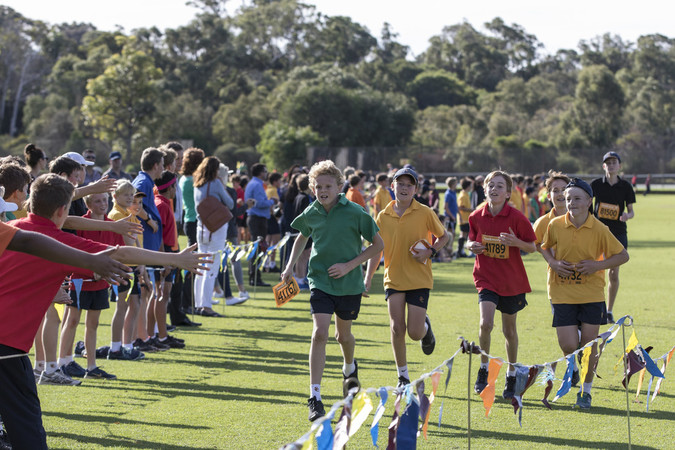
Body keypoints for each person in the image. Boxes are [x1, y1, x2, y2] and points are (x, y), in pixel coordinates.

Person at [0, 174, 209, 449]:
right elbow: (120, 253)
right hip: (8, 349)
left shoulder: (11, 228)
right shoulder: (59, 242)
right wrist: (176, 259)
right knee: (28, 432)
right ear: (62, 210)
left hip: (8, 346)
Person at [281, 160, 383, 422]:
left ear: (339, 187)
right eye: (318, 187)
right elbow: (302, 236)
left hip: (349, 284)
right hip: (320, 281)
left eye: (328, 186)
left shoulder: (356, 212)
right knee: (320, 333)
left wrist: (349, 266)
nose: (323, 191)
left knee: (343, 336)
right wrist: (290, 266)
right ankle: (315, 397)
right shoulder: (312, 211)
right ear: (312, 188)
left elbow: (377, 245)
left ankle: (349, 367)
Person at [541, 178, 629, 409]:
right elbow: (544, 247)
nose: (571, 203)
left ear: (589, 202)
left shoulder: (600, 229)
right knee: (569, 345)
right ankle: (576, 358)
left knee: (589, 349)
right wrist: (554, 263)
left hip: (591, 295)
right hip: (561, 292)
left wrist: (597, 265)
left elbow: (623, 256)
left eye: (577, 198)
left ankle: (585, 392)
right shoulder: (555, 224)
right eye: (568, 198)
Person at [365, 167, 448, 388]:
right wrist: (367, 278)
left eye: (409, 185)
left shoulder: (425, 212)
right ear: (392, 186)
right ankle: (403, 376)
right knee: (396, 327)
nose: (404, 188)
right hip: (393, 278)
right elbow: (376, 249)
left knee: (414, 332)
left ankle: (426, 328)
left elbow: (444, 236)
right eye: (400, 184)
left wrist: (430, 252)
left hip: (419, 278)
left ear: (415, 189)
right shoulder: (382, 216)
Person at [466, 171, 537, 399]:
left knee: (509, 331)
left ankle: (512, 373)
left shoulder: (516, 217)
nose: (494, 189)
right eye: (490, 185)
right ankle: (484, 369)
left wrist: (515, 242)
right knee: (485, 323)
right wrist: (471, 246)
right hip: (486, 278)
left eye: (499, 186)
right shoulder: (476, 216)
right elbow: (470, 239)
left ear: (508, 193)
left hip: (511, 281)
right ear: (484, 189)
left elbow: (532, 246)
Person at [58, 192, 126, 381]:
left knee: (93, 324)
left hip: (101, 283)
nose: (103, 204)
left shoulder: (113, 225)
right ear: (88, 204)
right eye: (97, 201)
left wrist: (108, 271)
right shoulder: (81, 223)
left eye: (105, 200)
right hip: (80, 281)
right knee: (72, 321)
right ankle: (62, 363)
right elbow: (74, 253)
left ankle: (92, 366)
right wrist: (91, 271)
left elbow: (118, 252)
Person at [590, 152, 635, 323]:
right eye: (608, 163)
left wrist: (627, 216)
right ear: (603, 166)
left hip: (618, 233)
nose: (611, 165)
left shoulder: (626, 186)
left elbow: (631, 211)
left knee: (613, 273)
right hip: (597, 232)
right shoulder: (595, 184)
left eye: (614, 162)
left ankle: (609, 310)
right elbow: (587, 204)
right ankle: (595, 306)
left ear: (619, 166)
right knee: (594, 270)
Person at [193, 156, 234, 317]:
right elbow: (230, 203)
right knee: (212, 266)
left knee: (201, 266)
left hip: (201, 226)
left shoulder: (197, 184)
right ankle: (206, 305)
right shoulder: (215, 183)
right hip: (216, 227)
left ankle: (198, 303)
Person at [245, 163, 277, 286]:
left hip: (255, 218)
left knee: (256, 249)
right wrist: (271, 201)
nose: (266, 173)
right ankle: (255, 278)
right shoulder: (257, 185)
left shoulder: (252, 183)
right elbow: (260, 203)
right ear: (260, 173)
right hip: (258, 219)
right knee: (258, 249)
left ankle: (254, 276)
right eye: (264, 171)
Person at [457, 177, 473, 257]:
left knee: (465, 234)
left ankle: (461, 251)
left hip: (466, 218)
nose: (471, 187)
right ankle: (460, 251)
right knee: (463, 234)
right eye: (470, 186)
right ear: (467, 186)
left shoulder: (466, 194)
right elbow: (460, 207)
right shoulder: (463, 195)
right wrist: (471, 210)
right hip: (463, 219)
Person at [444, 177, 458, 259]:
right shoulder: (448, 194)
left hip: (454, 217)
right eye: (455, 183)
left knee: (453, 234)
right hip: (449, 218)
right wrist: (452, 216)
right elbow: (445, 207)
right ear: (452, 184)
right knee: (449, 236)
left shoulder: (454, 192)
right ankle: (447, 253)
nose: (456, 185)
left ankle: (450, 252)